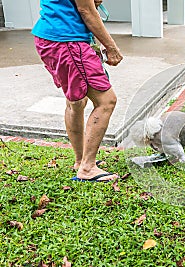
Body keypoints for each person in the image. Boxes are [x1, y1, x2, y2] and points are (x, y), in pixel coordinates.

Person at [32, 0, 123, 181]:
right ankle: (87, 168)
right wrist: (111, 47)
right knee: (106, 101)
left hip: (51, 36)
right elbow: (86, 10)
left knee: (76, 101)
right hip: (67, 39)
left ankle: (81, 160)